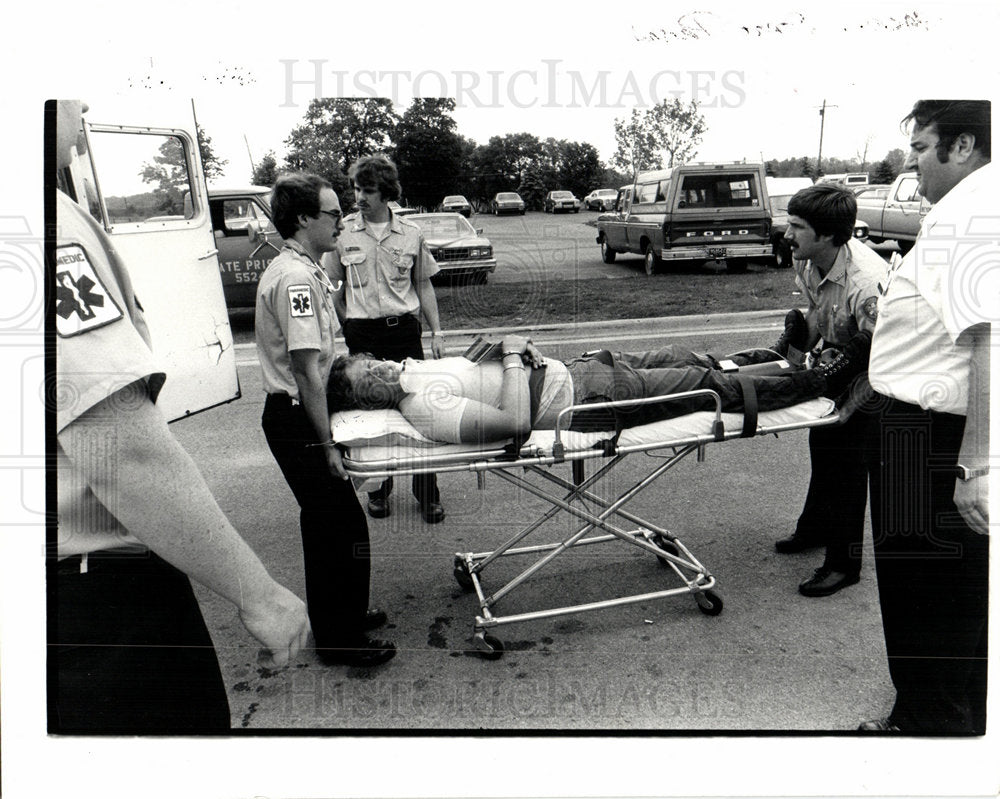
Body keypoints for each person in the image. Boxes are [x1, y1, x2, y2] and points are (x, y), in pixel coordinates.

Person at [51, 100, 310, 733]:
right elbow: (119, 449)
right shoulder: (44, 224)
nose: (82, 109)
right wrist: (259, 594)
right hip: (95, 595)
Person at [861, 100, 991, 734]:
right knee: (958, 586)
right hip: (935, 424)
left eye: (921, 146)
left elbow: (989, 338)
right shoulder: (973, 210)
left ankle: (926, 722)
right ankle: (959, 715)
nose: (911, 160)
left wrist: (980, 463)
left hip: (925, 430)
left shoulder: (969, 216)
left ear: (962, 146)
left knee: (922, 587)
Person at [255, 172, 395, 667]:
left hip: (301, 415)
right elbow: (306, 369)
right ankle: (340, 640)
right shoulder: (295, 278)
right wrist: (328, 443)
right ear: (303, 219)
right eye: (333, 213)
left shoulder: (303, 268)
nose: (343, 220)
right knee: (339, 528)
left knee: (332, 526)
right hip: (299, 418)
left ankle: (344, 617)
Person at [327, 335, 869, 444]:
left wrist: (504, 345)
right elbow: (515, 424)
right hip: (590, 405)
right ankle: (819, 381)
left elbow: (480, 362)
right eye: (368, 383)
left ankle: (775, 354)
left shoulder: (412, 371)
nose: (378, 372)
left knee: (686, 358)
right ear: (367, 404)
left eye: (369, 365)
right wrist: (516, 357)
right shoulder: (425, 409)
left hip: (585, 369)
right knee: (710, 387)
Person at [770, 184, 886, 598]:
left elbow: (879, 351)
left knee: (849, 468)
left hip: (877, 367)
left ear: (827, 235)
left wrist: (846, 399)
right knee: (823, 445)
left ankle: (843, 565)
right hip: (843, 355)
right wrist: (796, 367)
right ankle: (815, 529)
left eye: (797, 227)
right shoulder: (807, 261)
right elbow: (818, 314)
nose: (787, 233)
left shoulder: (867, 282)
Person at [323, 155, 447, 523]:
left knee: (419, 410)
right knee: (368, 414)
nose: (359, 197)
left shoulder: (410, 234)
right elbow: (335, 288)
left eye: (368, 190)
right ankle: (378, 489)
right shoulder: (343, 233)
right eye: (357, 189)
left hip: (404, 332)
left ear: (387, 193)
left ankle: (428, 493)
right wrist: (348, 325)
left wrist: (437, 331)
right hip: (363, 335)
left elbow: (422, 284)